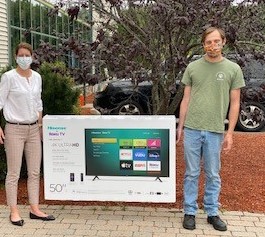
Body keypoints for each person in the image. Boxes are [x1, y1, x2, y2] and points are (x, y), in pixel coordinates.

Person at [176, 27, 245, 231]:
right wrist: (181, 126)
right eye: (208, 42)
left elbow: (235, 103)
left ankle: (212, 212)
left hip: (215, 130)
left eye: (216, 41)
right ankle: (189, 211)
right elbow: (186, 99)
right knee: (191, 173)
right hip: (192, 128)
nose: (212, 45)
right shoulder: (193, 67)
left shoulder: (233, 69)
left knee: (213, 173)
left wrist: (230, 133)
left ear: (223, 42)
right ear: (203, 44)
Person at [0, 42, 55, 226]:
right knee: (14, 173)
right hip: (14, 129)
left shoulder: (37, 77)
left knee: (34, 172)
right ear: (16, 57)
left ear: (32, 57)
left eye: (27, 55)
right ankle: (14, 211)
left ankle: (34, 208)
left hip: (33, 129)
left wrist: (40, 126)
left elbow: (38, 103)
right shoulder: (9, 77)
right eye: (21, 55)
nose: (24, 58)